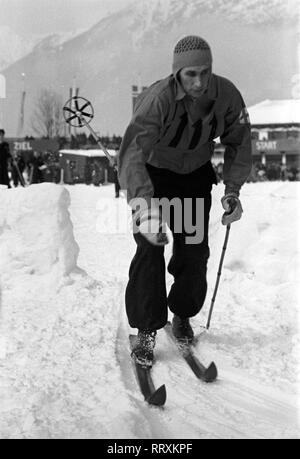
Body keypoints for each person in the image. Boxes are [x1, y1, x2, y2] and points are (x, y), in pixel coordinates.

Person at [118, 35, 252, 367]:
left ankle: (181, 315)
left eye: (205, 72)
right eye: (191, 74)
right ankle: (147, 330)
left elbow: (240, 141)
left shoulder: (226, 95)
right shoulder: (158, 99)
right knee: (150, 250)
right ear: (177, 73)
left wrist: (232, 191)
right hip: (154, 175)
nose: (199, 82)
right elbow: (132, 152)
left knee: (194, 253)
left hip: (193, 177)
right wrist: (144, 207)